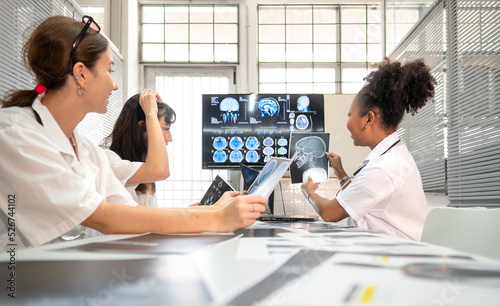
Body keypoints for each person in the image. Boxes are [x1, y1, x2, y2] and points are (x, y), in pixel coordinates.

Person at [0, 15, 266, 250]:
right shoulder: (15, 133)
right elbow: (103, 217)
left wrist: (215, 208)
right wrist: (217, 218)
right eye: (109, 70)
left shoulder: (88, 150)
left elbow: (131, 213)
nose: (115, 85)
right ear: (81, 74)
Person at [301, 57, 436, 241]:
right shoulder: (393, 157)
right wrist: (340, 171)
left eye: (350, 114)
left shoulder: (385, 167)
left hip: (394, 258)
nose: (347, 121)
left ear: (368, 119)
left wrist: (308, 192)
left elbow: (329, 213)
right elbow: (363, 198)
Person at [103, 89, 175, 207]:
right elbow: (161, 171)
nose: (170, 138)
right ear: (142, 127)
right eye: (166, 129)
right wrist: (151, 114)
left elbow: (150, 219)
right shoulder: (108, 161)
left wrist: (189, 212)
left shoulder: (143, 166)